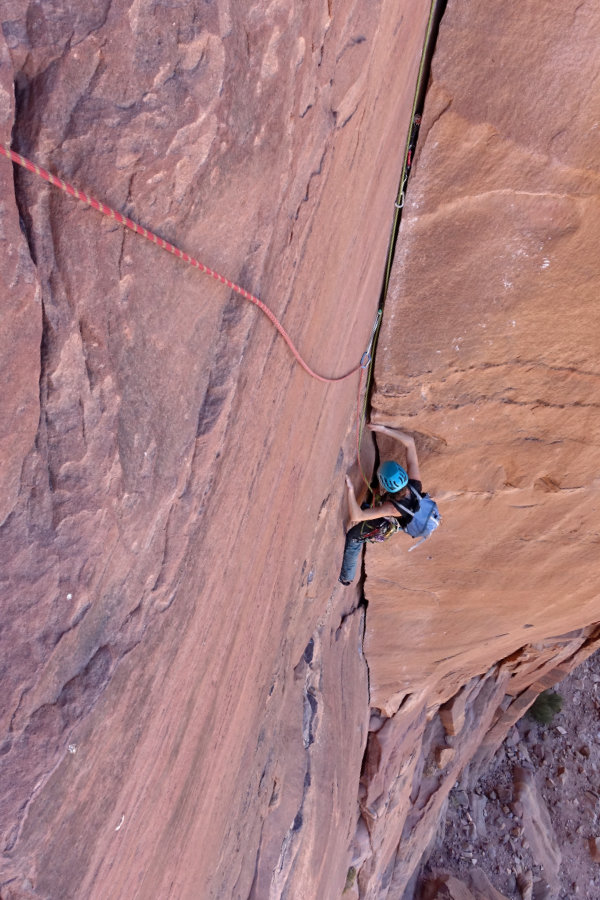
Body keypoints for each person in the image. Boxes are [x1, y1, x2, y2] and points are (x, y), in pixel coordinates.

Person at [339, 424, 425, 585]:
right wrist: (384, 430)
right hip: (401, 512)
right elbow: (410, 443)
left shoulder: (392, 508)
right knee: (369, 506)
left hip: (386, 524)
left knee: (354, 537)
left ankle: (346, 577)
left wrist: (350, 491)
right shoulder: (414, 484)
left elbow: (357, 516)